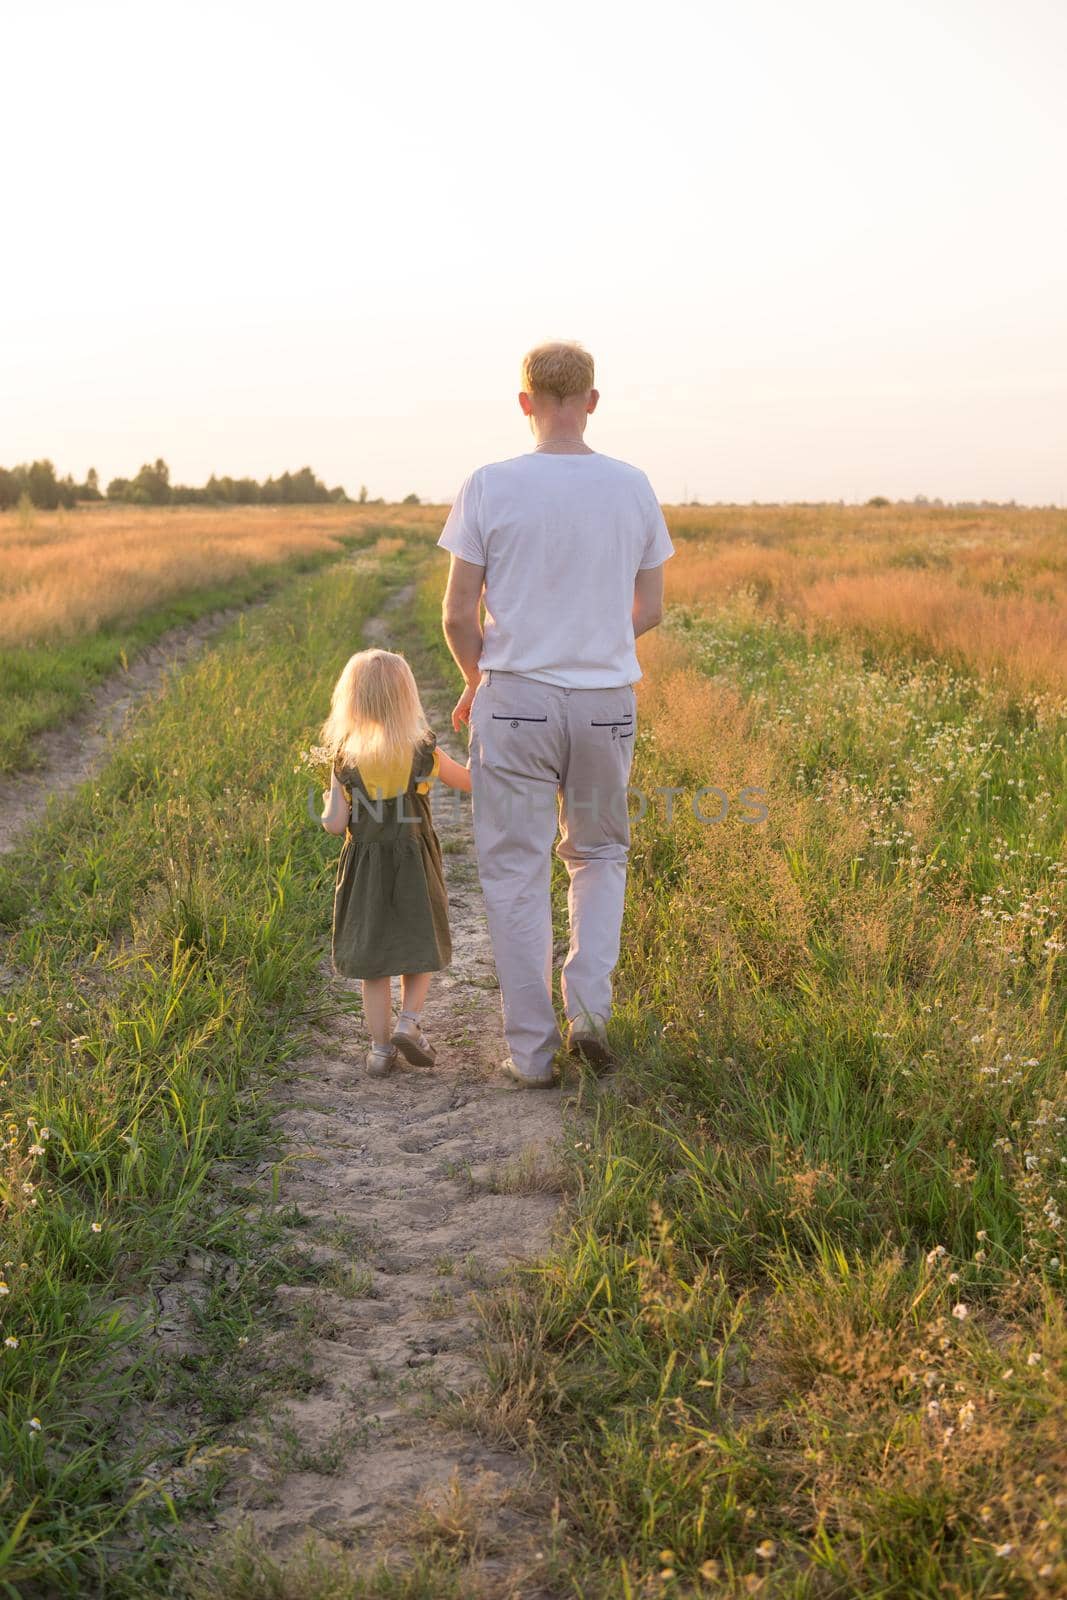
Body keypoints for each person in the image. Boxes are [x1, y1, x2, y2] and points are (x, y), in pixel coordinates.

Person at [438, 340, 674, 1088]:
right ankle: (590, 1021)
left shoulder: (489, 485)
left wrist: (479, 683)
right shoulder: (632, 485)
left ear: (524, 402)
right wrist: (596, 641)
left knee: (514, 870)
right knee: (599, 858)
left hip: (513, 705)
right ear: (592, 402)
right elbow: (652, 608)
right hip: (605, 706)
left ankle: (531, 1056)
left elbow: (455, 615)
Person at [319, 648, 471, 1077]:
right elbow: (469, 782)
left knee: (375, 965)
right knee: (418, 947)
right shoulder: (422, 752)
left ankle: (381, 1050)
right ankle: (410, 1021)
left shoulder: (344, 758)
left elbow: (334, 824)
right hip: (415, 863)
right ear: (407, 698)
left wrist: (331, 809)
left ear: (352, 701)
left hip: (365, 870)